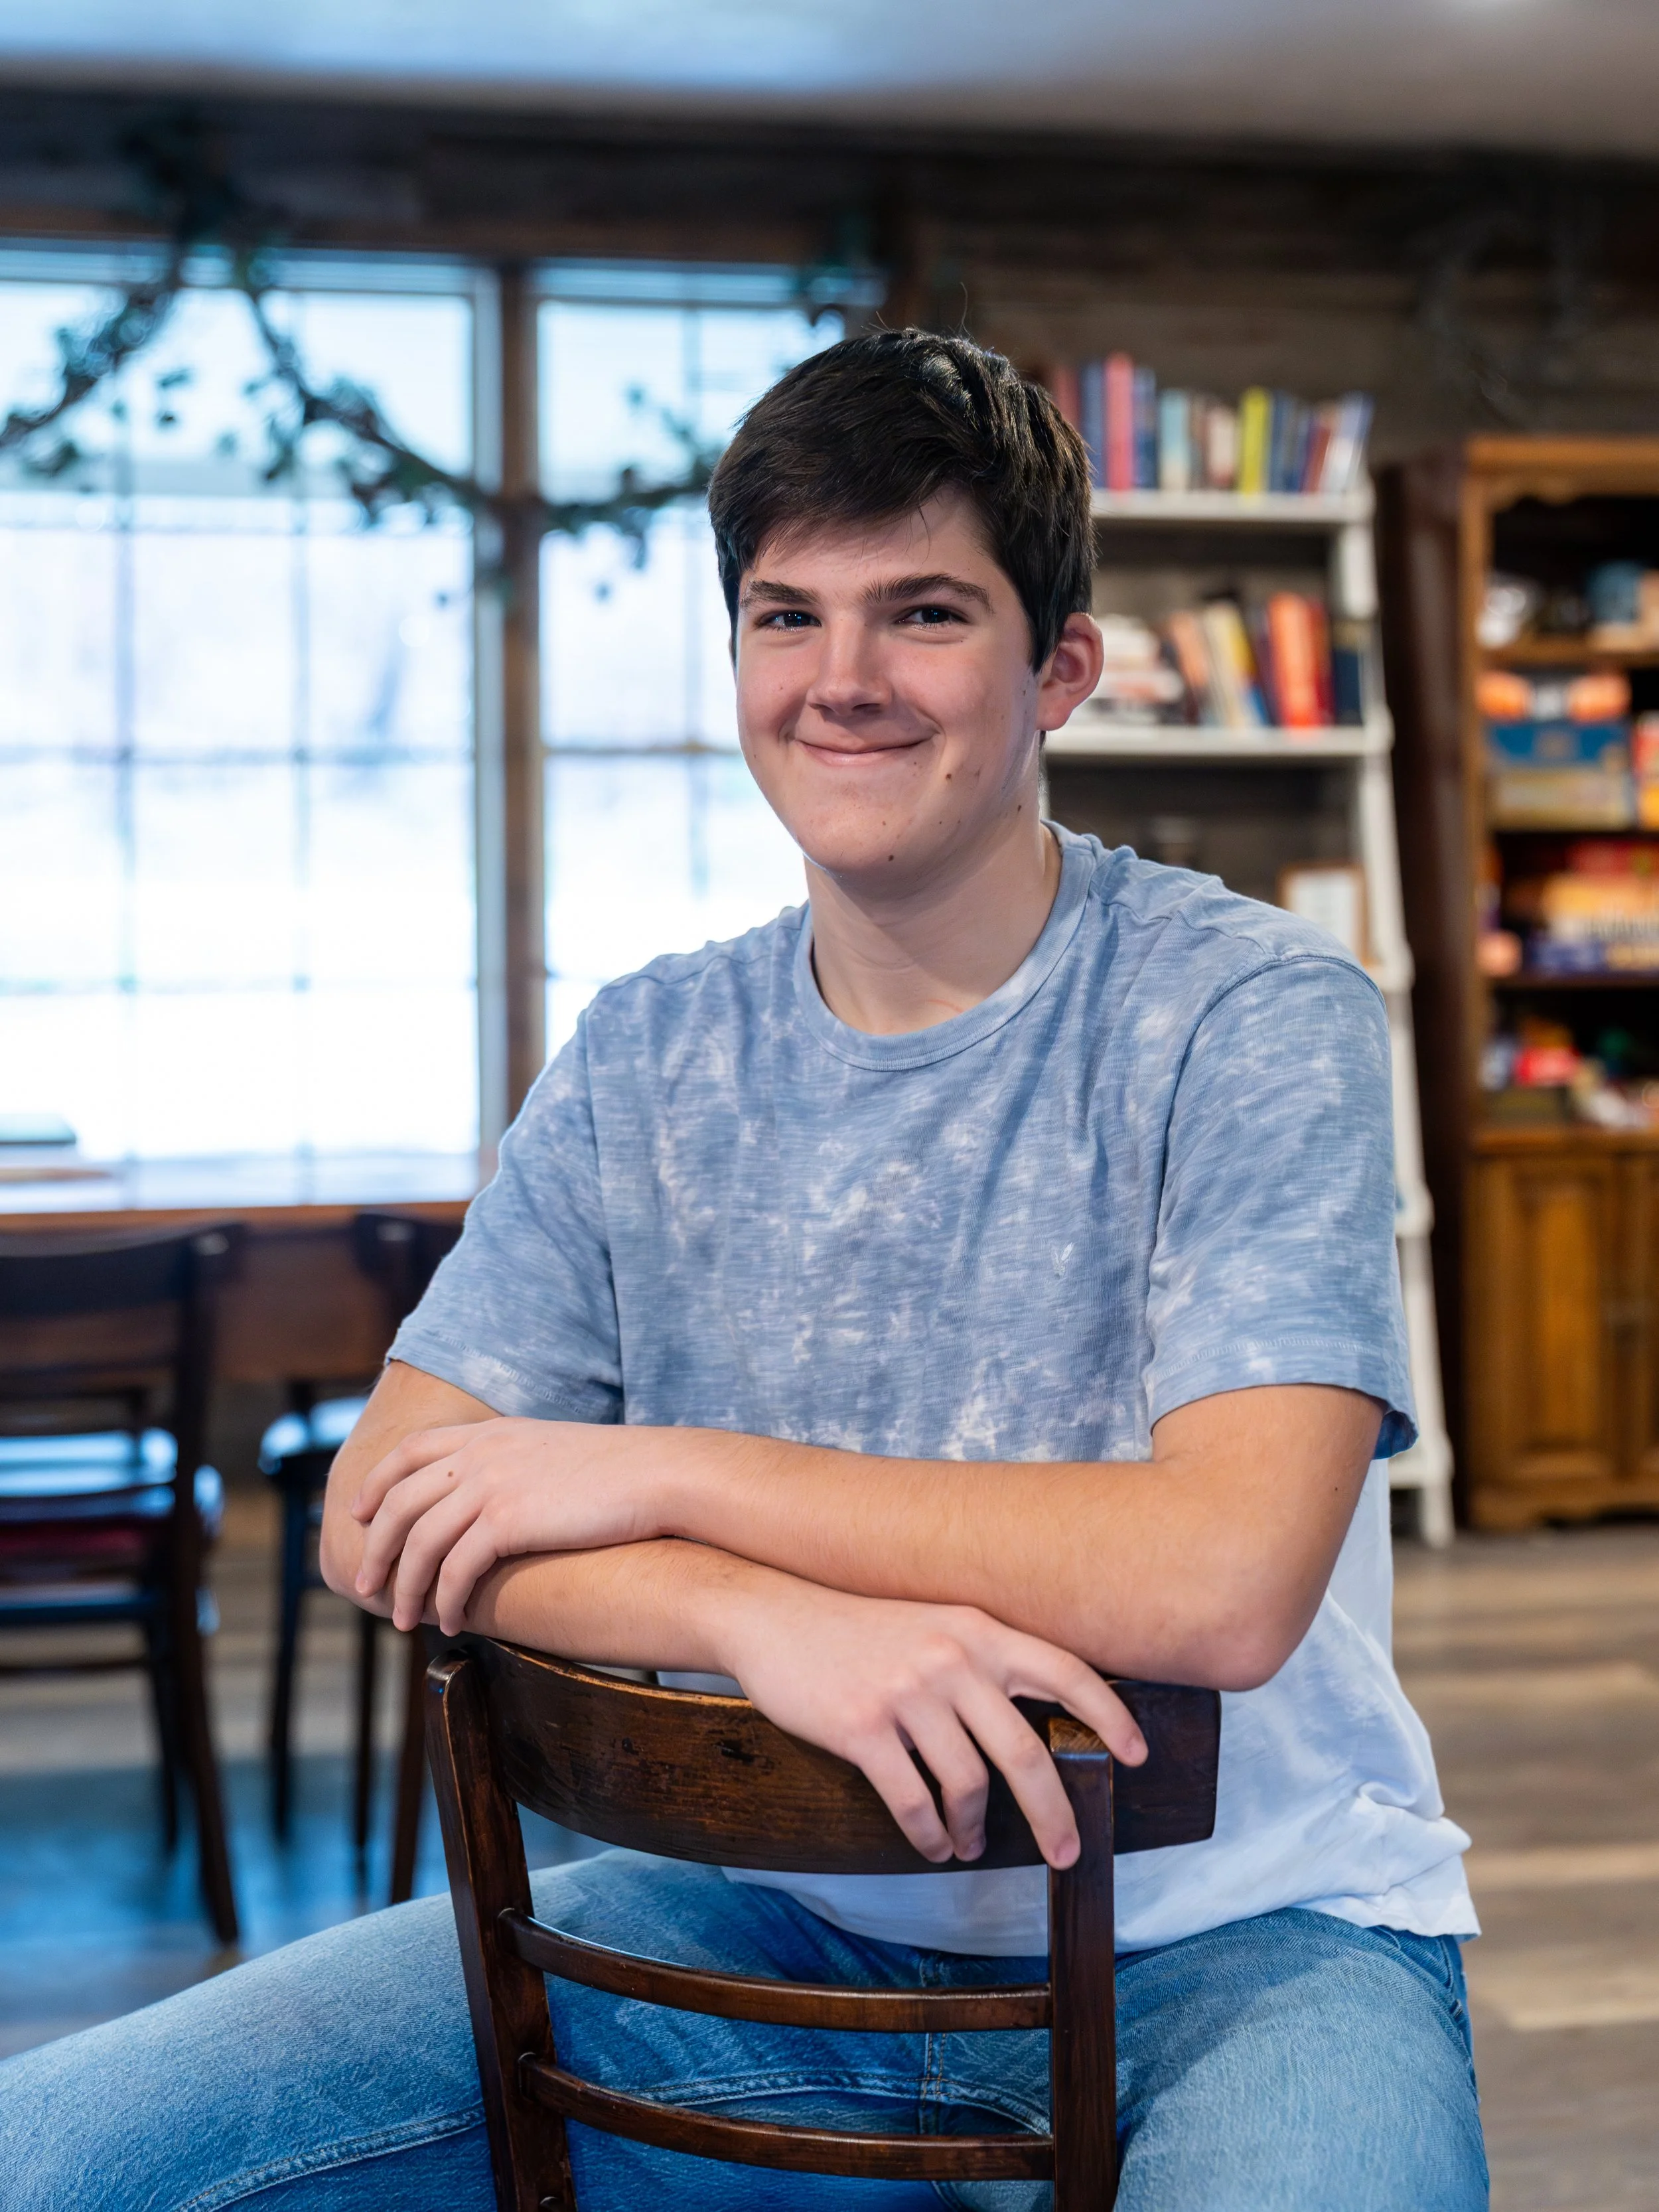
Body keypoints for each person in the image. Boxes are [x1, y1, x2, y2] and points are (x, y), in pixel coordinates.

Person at [1, 329, 1486, 2211]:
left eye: (921, 612)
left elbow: (1217, 1580)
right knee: (46, 2159)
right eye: (785, 618)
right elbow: (381, 1505)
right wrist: (753, 1613)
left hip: (1241, 1941)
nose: (840, 682)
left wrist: (670, 1468)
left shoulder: (1251, 1010)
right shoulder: (646, 1048)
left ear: (1059, 670)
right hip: (754, 1922)